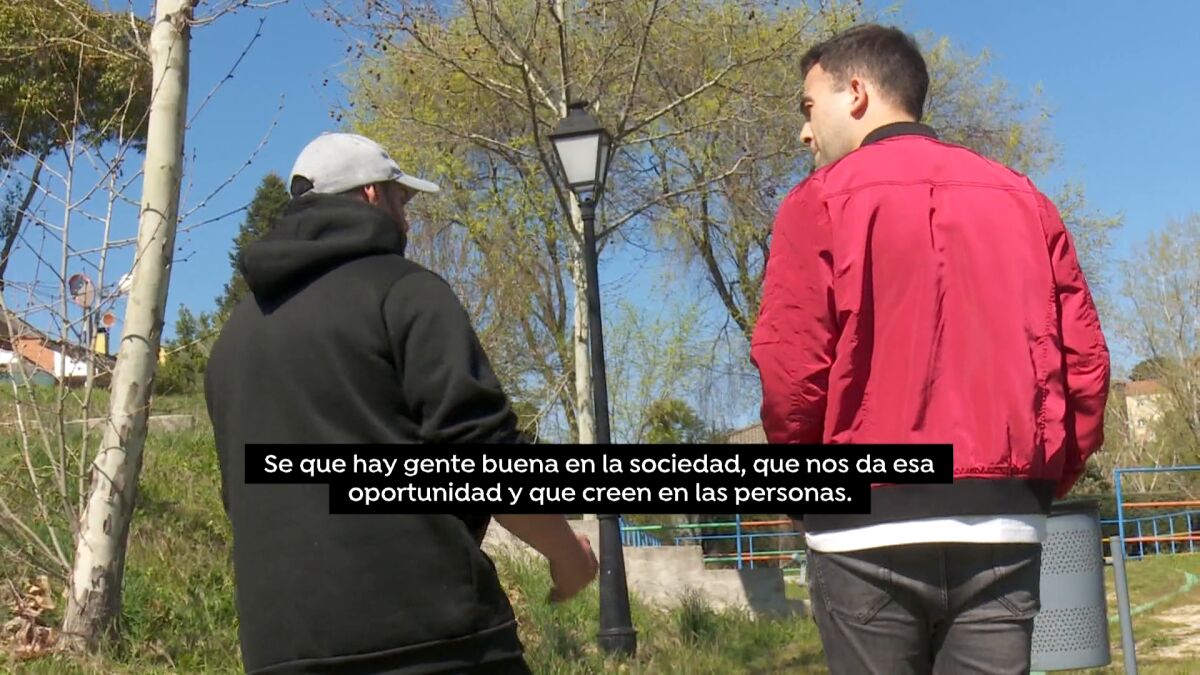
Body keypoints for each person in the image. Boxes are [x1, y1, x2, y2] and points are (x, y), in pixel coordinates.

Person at [750, 24, 1110, 675]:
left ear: (856, 92)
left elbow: (791, 373)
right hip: (1002, 523)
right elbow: (1082, 365)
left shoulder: (819, 202)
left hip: (863, 529)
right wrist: (1035, 482)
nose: (805, 132)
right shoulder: (1025, 201)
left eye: (808, 106)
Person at [204, 132, 598, 675]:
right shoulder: (405, 292)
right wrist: (567, 555)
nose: (408, 219)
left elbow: (241, 497)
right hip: (433, 642)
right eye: (402, 199)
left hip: (282, 653)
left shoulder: (231, 342)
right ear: (372, 194)